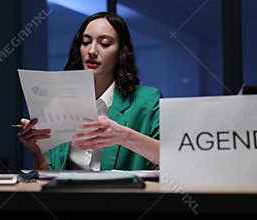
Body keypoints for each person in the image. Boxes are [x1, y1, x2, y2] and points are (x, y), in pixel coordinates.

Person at [17, 12, 161, 171]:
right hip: (69, 194)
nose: (91, 50)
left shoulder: (147, 101)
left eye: (105, 43)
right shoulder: (57, 103)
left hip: (123, 196)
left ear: (121, 52)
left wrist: (123, 135)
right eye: (86, 42)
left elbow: (170, 159)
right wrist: (38, 152)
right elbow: (47, 178)